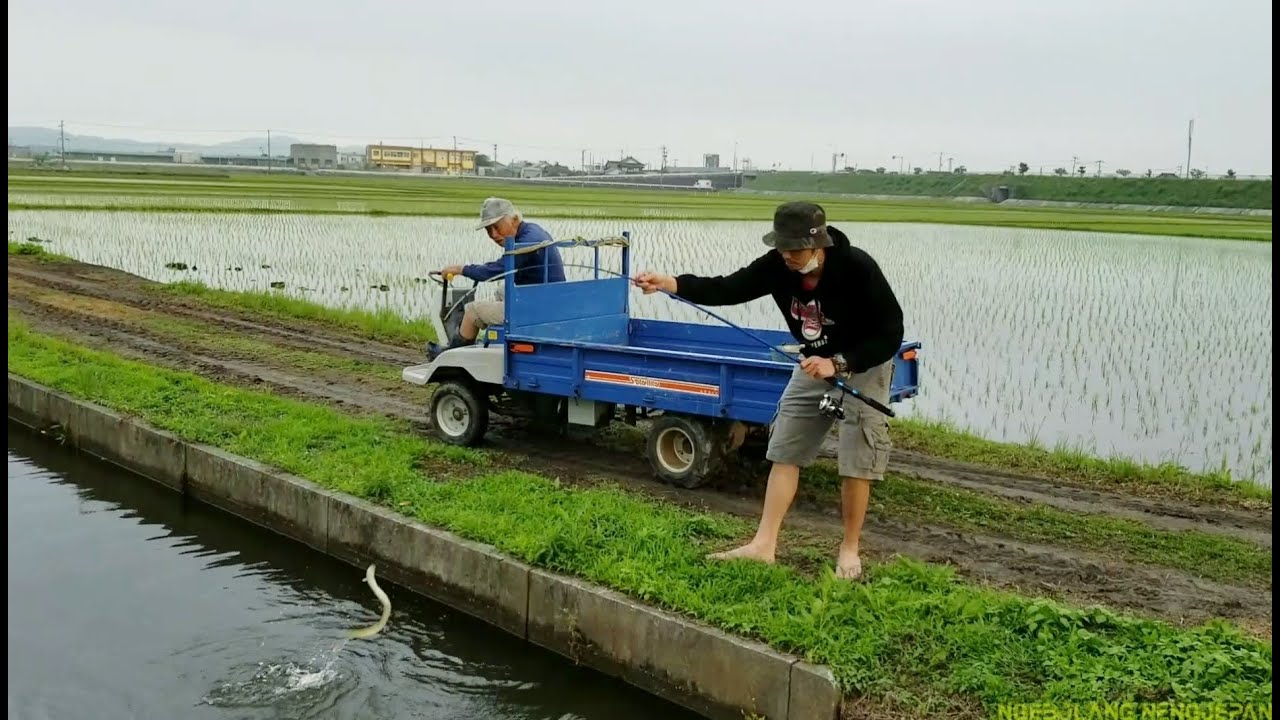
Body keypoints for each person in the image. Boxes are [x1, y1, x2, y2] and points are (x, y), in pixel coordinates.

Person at [632, 201, 904, 580]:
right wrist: (669, 283)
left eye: (795, 249)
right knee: (784, 450)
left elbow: (891, 331)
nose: (787, 256)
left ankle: (849, 550)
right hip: (812, 363)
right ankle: (764, 545)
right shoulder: (777, 266)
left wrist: (839, 363)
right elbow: (727, 288)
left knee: (856, 460)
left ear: (819, 243)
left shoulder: (856, 267)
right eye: (781, 247)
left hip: (863, 363)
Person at [429, 197, 566, 357]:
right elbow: (501, 266)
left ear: (514, 220)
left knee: (472, 310)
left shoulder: (526, 243)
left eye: (497, 227)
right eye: (488, 230)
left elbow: (495, 271)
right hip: (547, 299)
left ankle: (451, 356)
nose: (493, 234)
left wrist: (461, 269)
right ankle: (497, 340)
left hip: (538, 308)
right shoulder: (532, 231)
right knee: (502, 291)